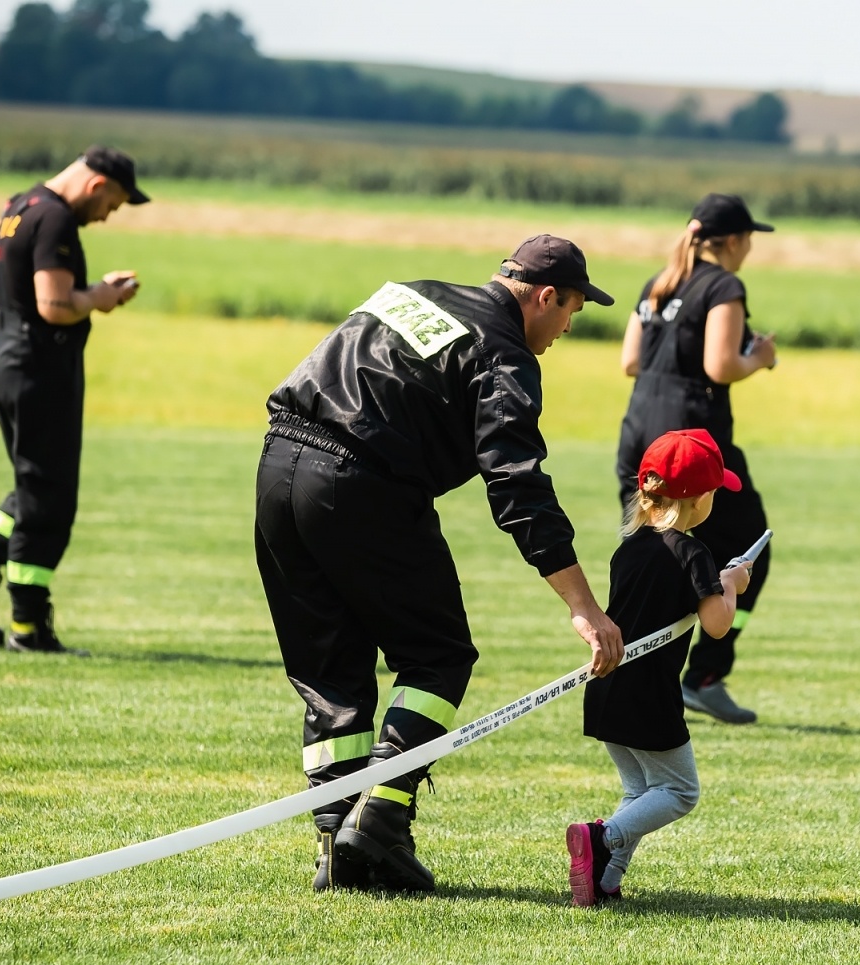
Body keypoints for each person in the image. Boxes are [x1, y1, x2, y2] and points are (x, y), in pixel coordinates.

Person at [255, 235, 625, 895]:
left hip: (279, 465)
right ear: (545, 296)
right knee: (438, 656)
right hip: (361, 482)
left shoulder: (414, 291)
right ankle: (382, 823)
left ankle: (336, 841)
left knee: (330, 674)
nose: (568, 327)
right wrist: (583, 606)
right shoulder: (504, 352)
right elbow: (517, 485)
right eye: (571, 312)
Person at [0, 146, 147, 654]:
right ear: (97, 186)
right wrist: (102, 298)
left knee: (32, 486)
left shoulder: (18, 206)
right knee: (48, 498)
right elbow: (53, 306)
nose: (107, 216)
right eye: (112, 204)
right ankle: (28, 627)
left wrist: (91, 290)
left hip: (7, 354)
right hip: (38, 368)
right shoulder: (54, 218)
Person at [567, 429, 751, 907]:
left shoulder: (629, 547)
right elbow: (716, 625)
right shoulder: (692, 552)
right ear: (694, 500)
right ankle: (600, 838)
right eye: (712, 493)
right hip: (649, 695)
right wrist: (730, 583)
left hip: (608, 688)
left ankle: (605, 881)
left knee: (641, 792)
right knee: (679, 791)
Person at [616, 193, 777, 725]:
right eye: (750, 238)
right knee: (752, 549)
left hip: (640, 433)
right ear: (732, 240)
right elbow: (720, 364)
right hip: (692, 440)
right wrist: (760, 358)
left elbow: (631, 360)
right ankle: (706, 674)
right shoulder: (724, 286)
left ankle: (631, 675)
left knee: (648, 556)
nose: (750, 248)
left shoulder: (659, 282)